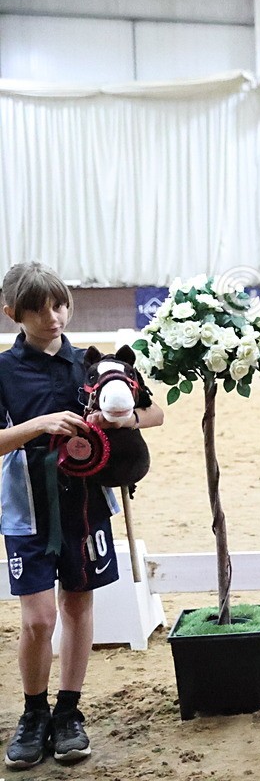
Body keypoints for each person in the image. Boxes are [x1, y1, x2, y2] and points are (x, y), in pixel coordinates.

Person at [1, 262, 164, 769]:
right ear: (13, 314)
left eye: (60, 305)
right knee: (38, 620)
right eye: (39, 309)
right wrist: (38, 424)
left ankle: (69, 712)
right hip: (28, 511)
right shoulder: (4, 371)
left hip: (88, 504)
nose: (54, 317)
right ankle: (33, 714)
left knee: (77, 605)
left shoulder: (90, 364)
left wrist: (120, 417)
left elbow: (155, 413)